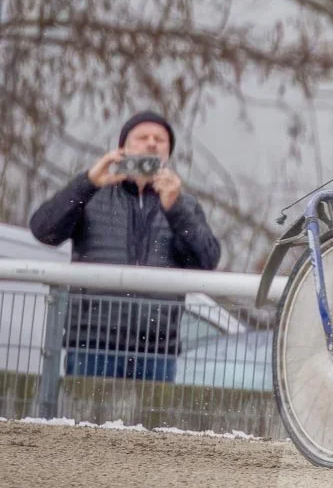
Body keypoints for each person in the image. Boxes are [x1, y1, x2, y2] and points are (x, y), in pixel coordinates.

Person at [29, 111, 222, 381]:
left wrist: (175, 209)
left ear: (169, 151)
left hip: (157, 350)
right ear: (122, 148)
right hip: (93, 345)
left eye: (161, 139)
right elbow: (44, 231)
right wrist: (87, 182)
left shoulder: (183, 205)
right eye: (142, 137)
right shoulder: (93, 196)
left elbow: (207, 259)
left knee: (151, 423)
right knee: (84, 423)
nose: (152, 143)